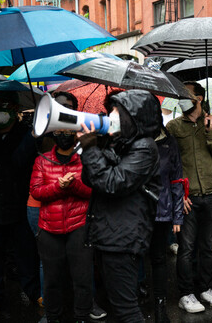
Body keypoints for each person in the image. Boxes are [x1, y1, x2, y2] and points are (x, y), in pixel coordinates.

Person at [78, 90, 163, 323]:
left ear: (133, 116)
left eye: (117, 112)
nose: (111, 115)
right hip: (110, 234)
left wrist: (91, 149)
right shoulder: (122, 144)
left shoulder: (144, 148)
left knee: (126, 309)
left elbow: (113, 183)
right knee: (117, 304)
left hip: (122, 238)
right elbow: (91, 179)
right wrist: (100, 146)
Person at [166, 82, 212, 314]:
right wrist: (179, 194)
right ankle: (186, 293)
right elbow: (171, 164)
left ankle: (206, 288)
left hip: (211, 194)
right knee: (186, 248)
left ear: (199, 99)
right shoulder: (173, 127)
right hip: (187, 198)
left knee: (208, 247)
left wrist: (211, 132)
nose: (182, 99)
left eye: (186, 95)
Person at [30, 119, 93, 323]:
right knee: (52, 279)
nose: (65, 135)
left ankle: (82, 316)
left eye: (69, 132)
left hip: (79, 226)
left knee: (82, 277)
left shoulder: (85, 160)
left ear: (75, 135)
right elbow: (37, 192)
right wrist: (59, 187)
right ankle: (52, 316)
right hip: (49, 227)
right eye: (60, 131)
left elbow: (92, 192)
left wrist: (73, 186)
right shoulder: (42, 160)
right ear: (54, 135)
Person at [0, 91, 40, 318]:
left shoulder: (27, 135)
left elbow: (18, 163)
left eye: (5, 105)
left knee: (26, 254)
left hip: (21, 205)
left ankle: (33, 293)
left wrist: (33, 136)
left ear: (15, 109)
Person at [150, 125, 185, 322]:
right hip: (134, 211)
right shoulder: (128, 138)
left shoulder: (169, 142)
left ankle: (160, 307)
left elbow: (176, 178)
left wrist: (177, 215)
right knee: (132, 259)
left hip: (161, 209)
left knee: (158, 259)